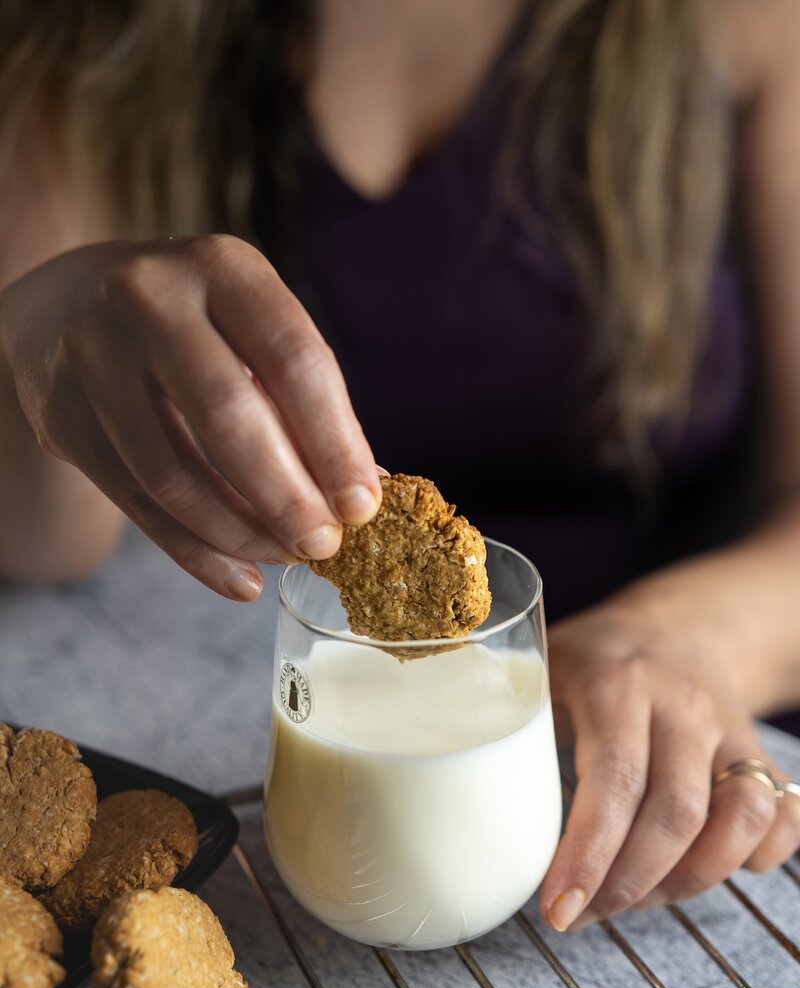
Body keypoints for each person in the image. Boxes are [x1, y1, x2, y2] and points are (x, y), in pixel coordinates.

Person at [1, 0, 799, 933]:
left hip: (662, 737)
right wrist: (30, 332)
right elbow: (41, 539)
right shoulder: (94, 31)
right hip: (268, 679)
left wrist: (685, 636)